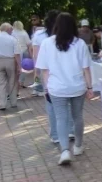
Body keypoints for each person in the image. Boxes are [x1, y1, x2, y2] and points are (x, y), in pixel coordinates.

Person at [35, 12, 94, 165]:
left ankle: (65, 150)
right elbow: (86, 68)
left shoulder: (47, 43)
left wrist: (47, 89)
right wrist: (90, 87)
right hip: (77, 87)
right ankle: (79, 145)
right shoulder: (79, 43)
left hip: (56, 88)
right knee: (77, 117)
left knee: (61, 118)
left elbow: (44, 70)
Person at [33, 11, 74, 142]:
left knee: (51, 104)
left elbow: (36, 57)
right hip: (67, 73)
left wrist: (36, 74)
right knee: (68, 103)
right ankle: (70, 131)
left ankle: (56, 135)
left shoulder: (39, 36)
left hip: (49, 74)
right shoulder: (69, 36)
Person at [0, 23, 21, 110]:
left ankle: (2, 104)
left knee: (0, 83)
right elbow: (17, 54)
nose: (12, 31)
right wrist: (19, 66)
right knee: (12, 81)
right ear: (8, 29)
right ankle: (13, 102)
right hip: (10, 61)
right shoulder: (13, 39)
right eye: (11, 29)